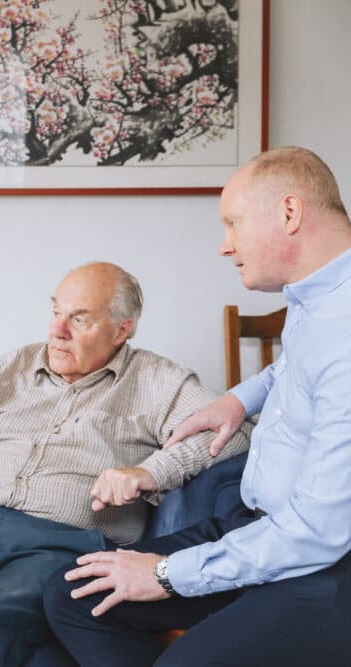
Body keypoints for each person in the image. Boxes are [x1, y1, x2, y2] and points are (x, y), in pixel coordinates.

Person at [44, 146, 351, 666]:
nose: (224, 246)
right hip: (255, 527)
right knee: (74, 592)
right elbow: (292, 369)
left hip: (321, 566)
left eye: (233, 223)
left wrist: (163, 576)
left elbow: (317, 537)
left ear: (290, 213)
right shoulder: (315, 296)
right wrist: (238, 398)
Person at [0, 262, 251, 667]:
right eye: (56, 311)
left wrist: (151, 472)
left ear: (122, 330)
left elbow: (235, 431)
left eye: (79, 319)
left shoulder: (155, 380)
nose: (57, 331)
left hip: (60, 547)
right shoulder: (10, 369)